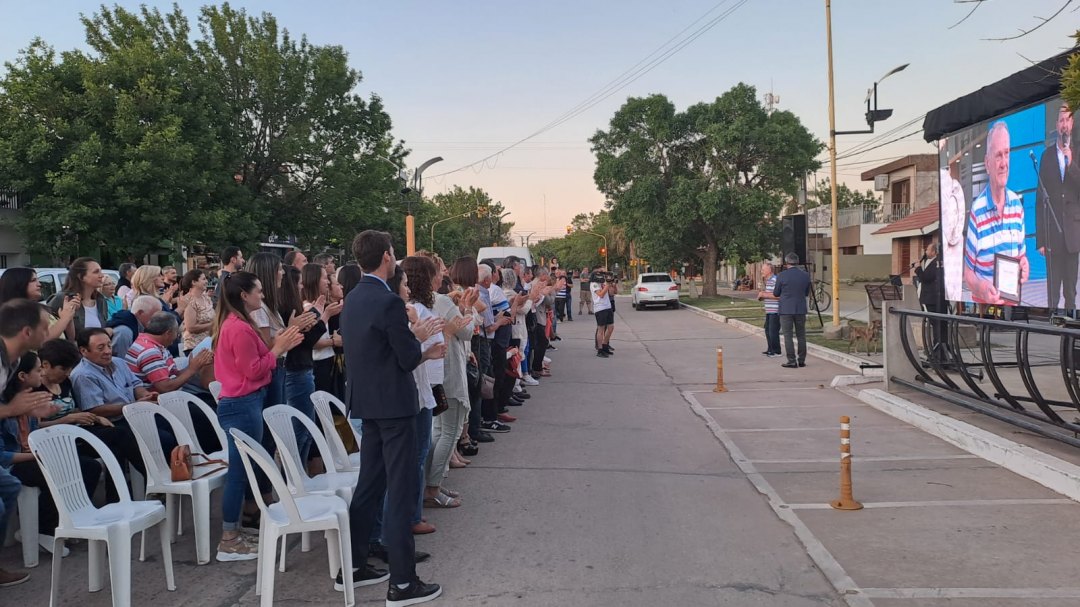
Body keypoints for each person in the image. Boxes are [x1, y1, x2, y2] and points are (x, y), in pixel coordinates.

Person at [340, 230, 443, 603]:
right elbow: (404, 356)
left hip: (367, 404)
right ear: (386, 257)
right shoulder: (386, 301)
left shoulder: (352, 296)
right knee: (399, 492)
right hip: (394, 408)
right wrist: (423, 345)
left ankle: (351, 565)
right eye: (394, 254)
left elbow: (371, 349)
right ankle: (402, 583)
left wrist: (411, 338)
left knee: (369, 485)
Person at [211, 271, 303, 561]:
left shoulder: (239, 323)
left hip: (247, 400)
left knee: (244, 469)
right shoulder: (236, 328)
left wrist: (279, 345)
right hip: (242, 402)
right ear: (244, 295)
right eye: (259, 292)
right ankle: (229, 538)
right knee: (238, 472)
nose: (262, 296)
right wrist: (278, 349)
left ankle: (236, 531)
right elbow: (253, 369)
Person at [2, 350, 101, 558]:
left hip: (31, 456)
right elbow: (4, 457)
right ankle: (43, 530)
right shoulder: (6, 408)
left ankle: (69, 521)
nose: (42, 375)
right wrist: (39, 455)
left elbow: (33, 433)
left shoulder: (29, 399)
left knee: (89, 466)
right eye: (38, 370)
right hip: (13, 465)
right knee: (62, 471)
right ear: (22, 376)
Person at [0, 298, 61, 586]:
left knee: (9, 487)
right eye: (45, 327)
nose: (49, 332)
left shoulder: (9, 360)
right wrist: (12, 410)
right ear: (27, 332)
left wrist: (26, 410)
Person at [963, 121, 1029, 305]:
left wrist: (1024, 265)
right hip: (984, 311)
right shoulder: (977, 211)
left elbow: (1021, 257)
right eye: (998, 155)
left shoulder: (1017, 205)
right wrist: (982, 288)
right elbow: (968, 274)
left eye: (1007, 153)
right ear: (987, 163)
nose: (1004, 163)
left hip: (1013, 309)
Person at [1037, 103, 1080, 311]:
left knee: (1070, 291)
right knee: (1052, 290)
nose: (1064, 124)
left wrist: (1071, 164)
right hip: (1052, 236)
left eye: (1067, 120)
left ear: (1072, 123)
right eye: (1061, 120)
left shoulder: (1078, 152)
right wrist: (1040, 240)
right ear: (1057, 124)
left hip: (1073, 234)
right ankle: (1053, 326)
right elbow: (1039, 199)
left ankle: (1071, 328)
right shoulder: (1046, 157)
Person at [0, 267, 78, 340]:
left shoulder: (42, 309)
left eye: (37, 280)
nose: (39, 284)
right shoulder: (13, 314)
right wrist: (65, 319)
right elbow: (42, 340)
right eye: (33, 280)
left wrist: (68, 314)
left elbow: (70, 337)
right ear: (19, 284)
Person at [47, 257, 108, 337]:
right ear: (81, 277)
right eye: (96, 272)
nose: (102, 275)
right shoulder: (63, 299)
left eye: (101, 271)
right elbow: (45, 329)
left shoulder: (101, 300)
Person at [773, 253, 812, 369]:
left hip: (786, 309)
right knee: (801, 335)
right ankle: (801, 360)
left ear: (786, 263)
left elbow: (776, 293)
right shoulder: (805, 275)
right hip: (800, 308)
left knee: (788, 335)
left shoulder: (782, 275)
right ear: (797, 262)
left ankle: (791, 360)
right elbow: (806, 293)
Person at [913, 243, 947, 359]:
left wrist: (918, 268)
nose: (925, 252)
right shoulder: (933, 262)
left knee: (938, 325)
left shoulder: (936, 263)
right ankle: (937, 350)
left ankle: (939, 351)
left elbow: (925, 278)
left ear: (934, 252)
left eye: (927, 250)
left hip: (933, 299)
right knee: (936, 325)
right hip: (932, 299)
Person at [181, 269, 214, 355]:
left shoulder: (206, 298)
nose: (206, 281)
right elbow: (190, 327)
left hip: (209, 344)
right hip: (194, 347)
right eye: (203, 279)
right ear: (194, 282)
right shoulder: (188, 300)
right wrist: (213, 324)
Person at [758, 262, 781, 357]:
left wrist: (764, 294)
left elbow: (779, 295)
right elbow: (769, 295)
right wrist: (762, 296)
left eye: (763, 269)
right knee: (767, 329)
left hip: (775, 310)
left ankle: (776, 351)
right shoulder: (768, 281)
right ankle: (770, 348)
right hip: (769, 310)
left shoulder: (775, 280)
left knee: (773, 331)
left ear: (770, 270)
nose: (761, 271)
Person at [591, 269, 615, 357]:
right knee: (601, 329)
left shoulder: (603, 283)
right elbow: (600, 294)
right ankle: (600, 349)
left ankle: (605, 345)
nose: (602, 276)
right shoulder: (593, 284)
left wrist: (612, 284)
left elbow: (612, 293)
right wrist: (607, 285)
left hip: (608, 306)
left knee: (611, 327)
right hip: (600, 308)